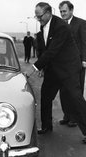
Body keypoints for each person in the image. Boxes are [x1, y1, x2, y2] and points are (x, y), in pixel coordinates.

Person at [24, 2, 86, 143]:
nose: (38, 19)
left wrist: (34, 68)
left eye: (39, 16)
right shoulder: (43, 24)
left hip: (68, 68)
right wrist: (44, 68)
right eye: (37, 17)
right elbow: (44, 50)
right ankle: (46, 126)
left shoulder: (61, 26)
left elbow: (52, 51)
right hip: (54, 69)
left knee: (75, 99)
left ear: (48, 13)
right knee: (45, 96)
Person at [58, 1, 86, 127]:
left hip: (77, 64)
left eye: (64, 11)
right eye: (61, 11)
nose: (62, 14)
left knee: (76, 93)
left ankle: (75, 118)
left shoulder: (81, 23)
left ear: (71, 10)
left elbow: (85, 43)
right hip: (63, 66)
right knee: (64, 92)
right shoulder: (59, 25)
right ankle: (67, 115)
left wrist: (84, 60)